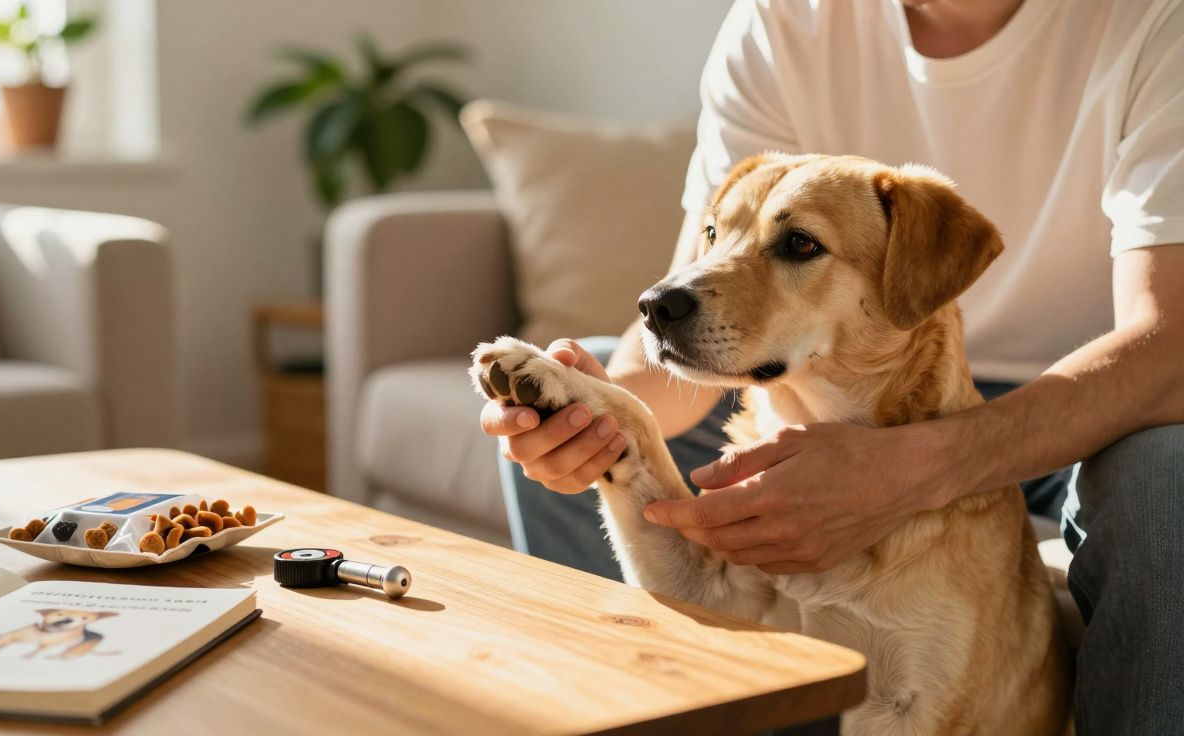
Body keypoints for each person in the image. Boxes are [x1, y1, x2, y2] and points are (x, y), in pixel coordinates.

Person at [480, 1, 1184, 733]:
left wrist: (910, 469)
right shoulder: (781, 18)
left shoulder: (1158, 22)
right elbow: (689, 293)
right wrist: (587, 417)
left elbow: (1171, 344)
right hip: (799, 406)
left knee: (1171, 476)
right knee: (580, 398)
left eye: (798, 248)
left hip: (1084, 411)